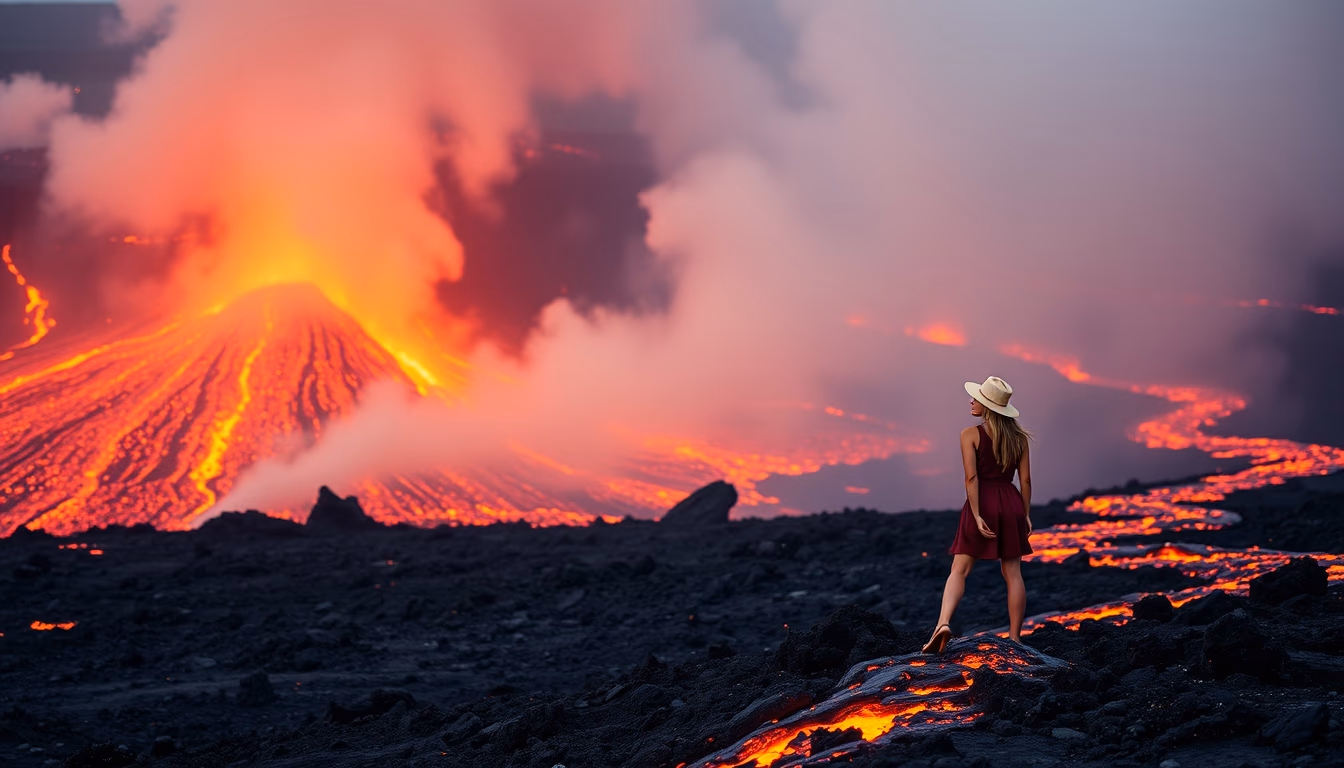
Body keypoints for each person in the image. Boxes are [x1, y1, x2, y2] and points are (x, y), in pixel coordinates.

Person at [921, 375, 1033, 653]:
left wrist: (977, 514)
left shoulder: (969, 434)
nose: (971, 401)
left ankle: (943, 624)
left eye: (977, 398)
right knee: (1013, 573)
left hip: (982, 502)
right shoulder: (1020, 439)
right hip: (1011, 503)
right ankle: (1015, 638)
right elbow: (1026, 481)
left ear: (988, 406)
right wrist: (1025, 514)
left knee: (959, 569)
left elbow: (971, 478)